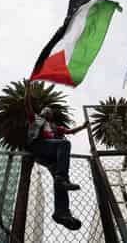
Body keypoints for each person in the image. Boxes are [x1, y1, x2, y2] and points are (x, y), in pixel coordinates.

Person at [24, 79, 89, 230]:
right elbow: (27, 105)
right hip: (38, 146)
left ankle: (62, 212)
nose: (48, 111)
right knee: (64, 144)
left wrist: (83, 127)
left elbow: (70, 132)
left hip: (51, 155)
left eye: (50, 111)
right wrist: (27, 89)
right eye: (45, 110)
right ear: (41, 112)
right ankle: (61, 178)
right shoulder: (35, 119)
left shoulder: (54, 127)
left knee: (61, 184)